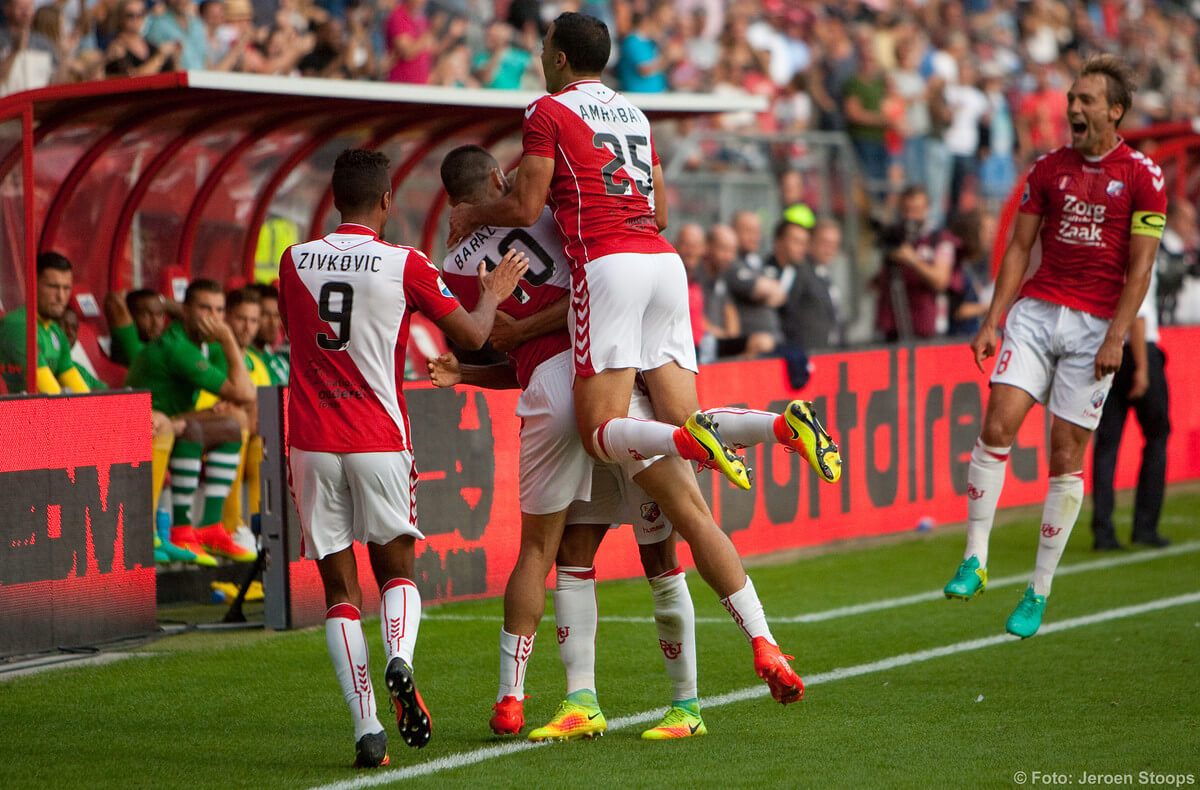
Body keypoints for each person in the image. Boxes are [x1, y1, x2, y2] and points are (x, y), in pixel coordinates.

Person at [448, 11, 841, 707]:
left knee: (601, 429)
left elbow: (530, 199)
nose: (540, 57)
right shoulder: (632, 112)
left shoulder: (545, 109)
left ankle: (575, 696)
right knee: (682, 465)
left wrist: (478, 218)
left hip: (610, 267)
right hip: (663, 264)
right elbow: (657, 210)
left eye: (543, 48)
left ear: (560, 57)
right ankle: (777, 427)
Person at [433, 144, 707, 741]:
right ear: (502, 179)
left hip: (546, 393)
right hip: (609, 384)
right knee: (660, 552)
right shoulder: (554, 215)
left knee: (555, 554)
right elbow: (599, 298)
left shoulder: (454, 269)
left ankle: (525, 699)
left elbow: (509, 350)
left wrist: (469, 371)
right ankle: (685, 703)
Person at [278, 148, 527, 768]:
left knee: (339, 590)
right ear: (388, 201)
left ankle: (367, 728)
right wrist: (494, 291)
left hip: (310, 442)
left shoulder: (293, 261)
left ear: (335, 201)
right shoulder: (405, 263)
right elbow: (472, 335)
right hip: (378, 439)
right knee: (397, 574)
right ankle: (400, 659)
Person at [942, 55, 1167, 639]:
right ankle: (975, 557)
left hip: (1096, 325)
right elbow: (1019, 248)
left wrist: (1118, 334)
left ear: (1114, 111)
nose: (1074, 107)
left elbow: (1140, 270)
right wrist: (993, 319)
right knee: (998, 423)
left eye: (1086, 99)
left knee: (1064, 457)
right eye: (1072, 97)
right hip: (1038, 312)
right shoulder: (1048, 168)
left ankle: (1038, 591)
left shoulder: (1144, 176)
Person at [125, 279, 256, 565]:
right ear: (186, 310)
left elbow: (245, 394)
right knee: (202, 428)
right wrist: (228, 338)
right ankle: (182, 530)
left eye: (219, 310)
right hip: (137, 427)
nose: (214, 318)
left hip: (169, 423)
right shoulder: (178, 347)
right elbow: (244, 391)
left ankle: (211, 527)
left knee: (233, 426)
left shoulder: (202, 343)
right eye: (204, 308)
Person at [1090, 269, 1170, 550]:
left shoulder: (1108, 252)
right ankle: (1145, 526)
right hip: (1136, 349)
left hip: (1104, 350)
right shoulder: (1139, 256)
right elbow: (1138, 314)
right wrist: (1143, 368)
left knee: (1107, 444)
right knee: (1157, 437)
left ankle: (1103, 529)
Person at [874, 185, 958, 341]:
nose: (910, 216)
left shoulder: (939, 239)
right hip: (892, 326)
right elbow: (875, 283)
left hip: (925, 327)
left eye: (916, 210)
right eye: (906, 210)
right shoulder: (894, 236)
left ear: (927, 209)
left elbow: (941, 281)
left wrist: (911, 259)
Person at [0, 252, 92, 394]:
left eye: (66, 288)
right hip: (15, 414)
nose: (61, 296)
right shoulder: (19, 326)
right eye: (53, 287)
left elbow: (79, 390)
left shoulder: (55, 330)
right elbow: (49, 393)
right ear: (32, 284)